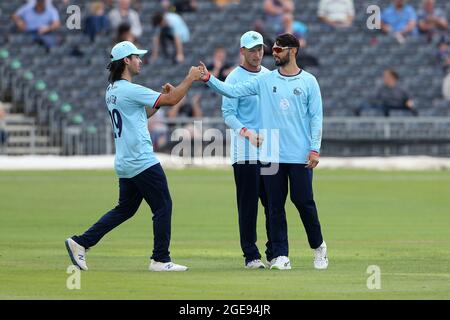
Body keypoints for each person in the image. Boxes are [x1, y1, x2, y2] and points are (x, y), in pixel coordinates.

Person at [65, 41, 202, 272]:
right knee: (163, 206)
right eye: (137, 56)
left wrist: (158, 102)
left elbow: (140, 113)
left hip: (126, 160)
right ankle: (160, 259)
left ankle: (81, 242)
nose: (141, 60)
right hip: (141, 159)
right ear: (126, 61)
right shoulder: (129, 89)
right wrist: (190, 78)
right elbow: (172, 100)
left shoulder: (112, 91)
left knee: (125, 209)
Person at [199, 33, 328, 271]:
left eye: (275, 50)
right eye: (273, 50)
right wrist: (208, 78)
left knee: (302, 201)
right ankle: (277, 255)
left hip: (297, 153)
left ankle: (318, 246)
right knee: (273, 205)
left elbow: (316, 117)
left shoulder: (306, 81)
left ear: (293, 51)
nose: (269, 54)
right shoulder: (264, 81)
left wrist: (314, 148)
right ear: (242, 50)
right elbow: (232, 93)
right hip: (269, 152)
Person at [221, 31, 272, 269]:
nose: (257, 53)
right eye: (252, 49)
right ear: (242, 51)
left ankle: (275, 252)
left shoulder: (270, 76)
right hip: (245, 153)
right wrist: (247, 133)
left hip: (271, 152)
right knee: (248, 206)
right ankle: (251, 255)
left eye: (260, 49)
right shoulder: (233, 79)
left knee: (273, 205)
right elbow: (228, 114)